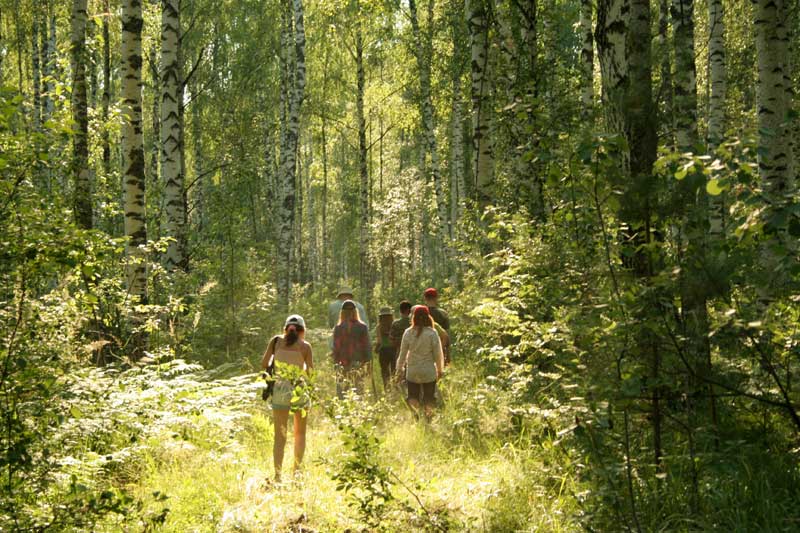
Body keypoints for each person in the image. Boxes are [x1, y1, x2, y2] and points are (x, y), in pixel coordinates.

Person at [261, 314, 313, 482]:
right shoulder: (306, 347)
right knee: (300, 434)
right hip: (298, 389)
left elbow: (264, 364)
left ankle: (277, 475)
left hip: (280, 390)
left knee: (280, 436)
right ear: (302, 331)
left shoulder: (276, 341)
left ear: (285, 329)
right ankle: (296, 473)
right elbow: (310, 373)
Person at [395, 305, 444, 419]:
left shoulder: (408, 333)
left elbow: (402, 354)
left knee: (413, 396)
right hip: (428, 371)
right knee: (429, 397)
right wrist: (440, 369)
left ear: (414, 317)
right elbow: (438, 354)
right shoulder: (432, 333)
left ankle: (416, 416)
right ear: (428, 317)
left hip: (413, 371)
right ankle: (428, 418)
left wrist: (399, 369)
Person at [332, 300, 371, 398]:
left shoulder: (338, 328)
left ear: (342, 313)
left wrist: (335, 363)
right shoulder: (362, 327)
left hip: (342, 364)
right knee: (358, 392)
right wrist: (368, 363)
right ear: (355, 312)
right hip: (358, 363)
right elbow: (366, 347)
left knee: (342, 393)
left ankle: (343, 412)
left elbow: (336, 348)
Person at [423, 288, 451, 364]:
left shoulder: (420, 313)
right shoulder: (443, 314)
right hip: (440, 349)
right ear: (436, 298)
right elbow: (447, 334)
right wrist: (448, 354)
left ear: (425, 298)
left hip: (423, 351)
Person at [374, 307, 396, 388]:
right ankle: (396, 388)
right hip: (393, 350)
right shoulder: (394, 325)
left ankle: (387, 388)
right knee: (394, 371)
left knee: (385, 371)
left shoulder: (379, 327)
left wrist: (376, 349)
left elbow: (379, 342)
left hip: (384, 351)